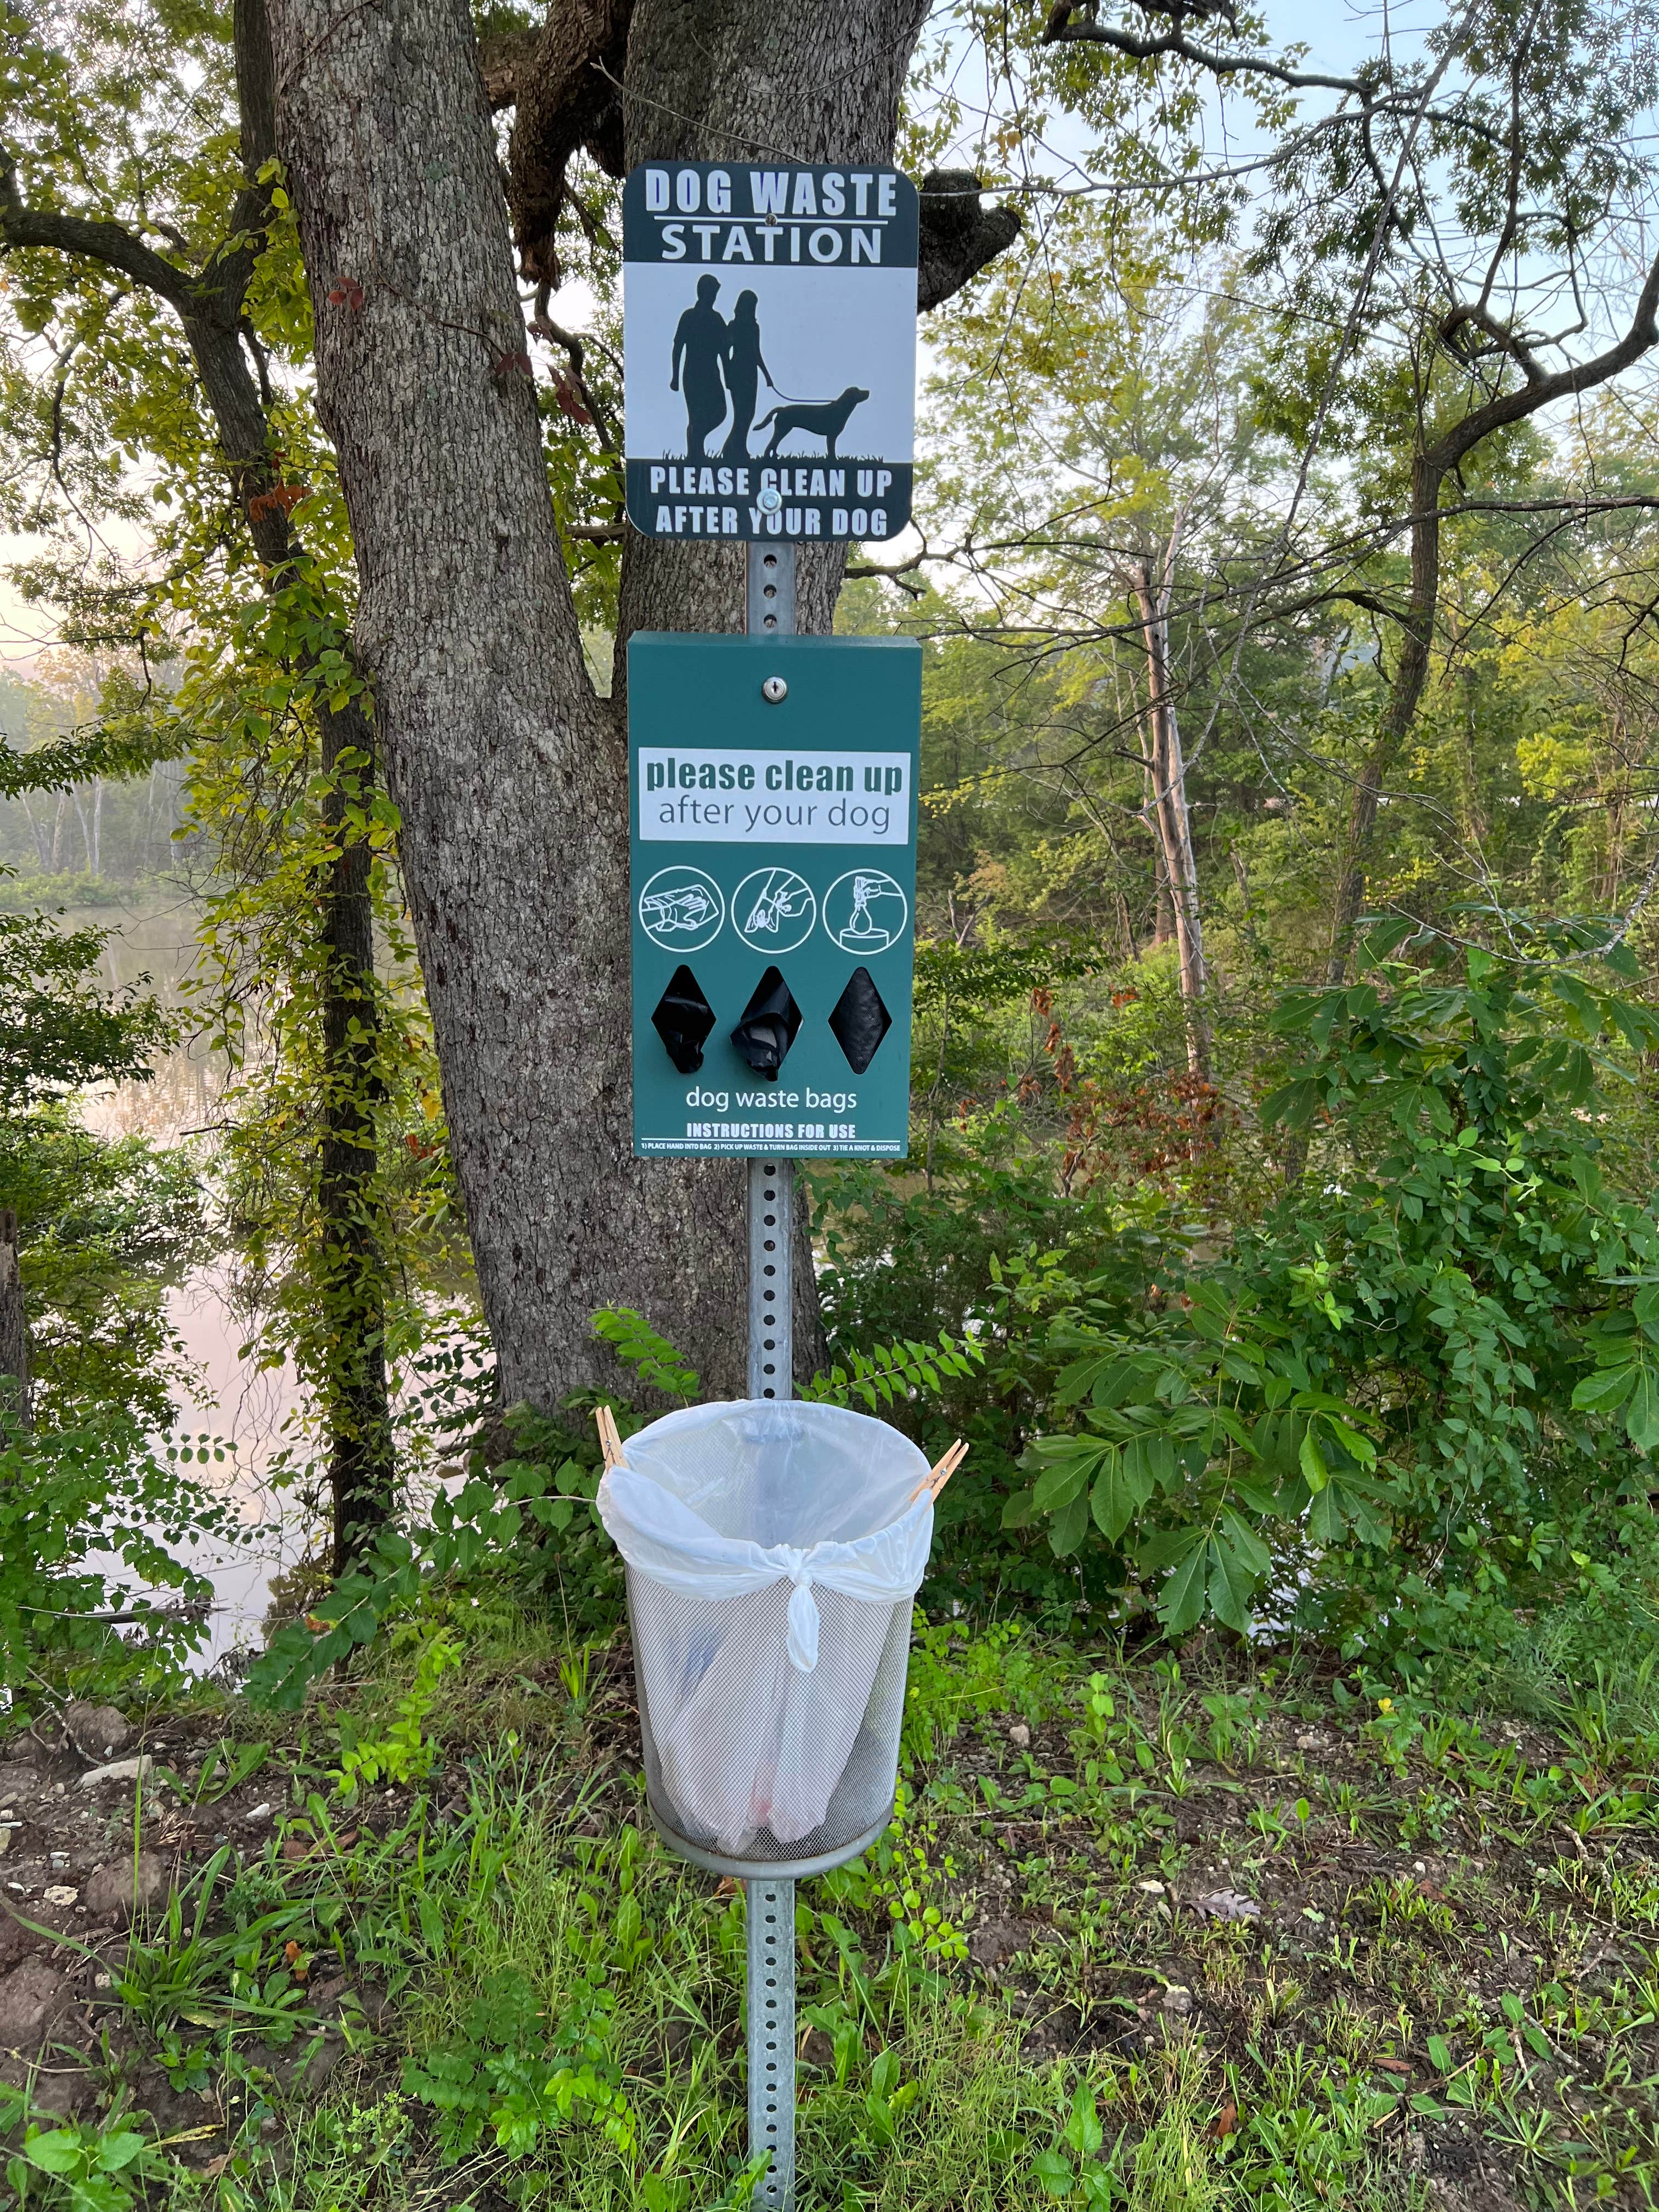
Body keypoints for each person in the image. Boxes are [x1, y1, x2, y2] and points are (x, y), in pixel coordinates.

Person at [670, 275, 729, 460]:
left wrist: (729, 379)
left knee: (720, 412)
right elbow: (678, 347)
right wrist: (675, 378)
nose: (714, 297)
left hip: (712, 374)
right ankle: (695, 455)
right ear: (705, 293)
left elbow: (724, 351)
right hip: (693, 374)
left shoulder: (717, 319)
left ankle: (696, 450)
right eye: (713, 293)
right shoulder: (689, 316)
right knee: (695, 416)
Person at [721, 290, 776, 460]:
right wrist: (728, 375)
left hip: (751, 373)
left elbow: (756, 353)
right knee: (741, 414)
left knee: (749, 413)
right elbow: (725, 351)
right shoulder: (734, 326)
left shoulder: (754, 327)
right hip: (738, 371)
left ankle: (740, 448)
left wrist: (767, 375)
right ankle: (730, 449)